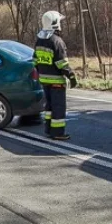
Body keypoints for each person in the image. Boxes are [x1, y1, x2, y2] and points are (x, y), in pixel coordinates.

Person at [33, 11, 77, 141]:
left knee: (49, 107)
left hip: (44, 80)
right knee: (58, 107)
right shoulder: (57, 41)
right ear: (55, 23)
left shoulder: (39, 40)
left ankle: (48, 129)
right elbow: (62, 64)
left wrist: (42, 72)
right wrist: (71, 76)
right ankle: (58, 132)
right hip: (57, 81)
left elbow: (35, 61)